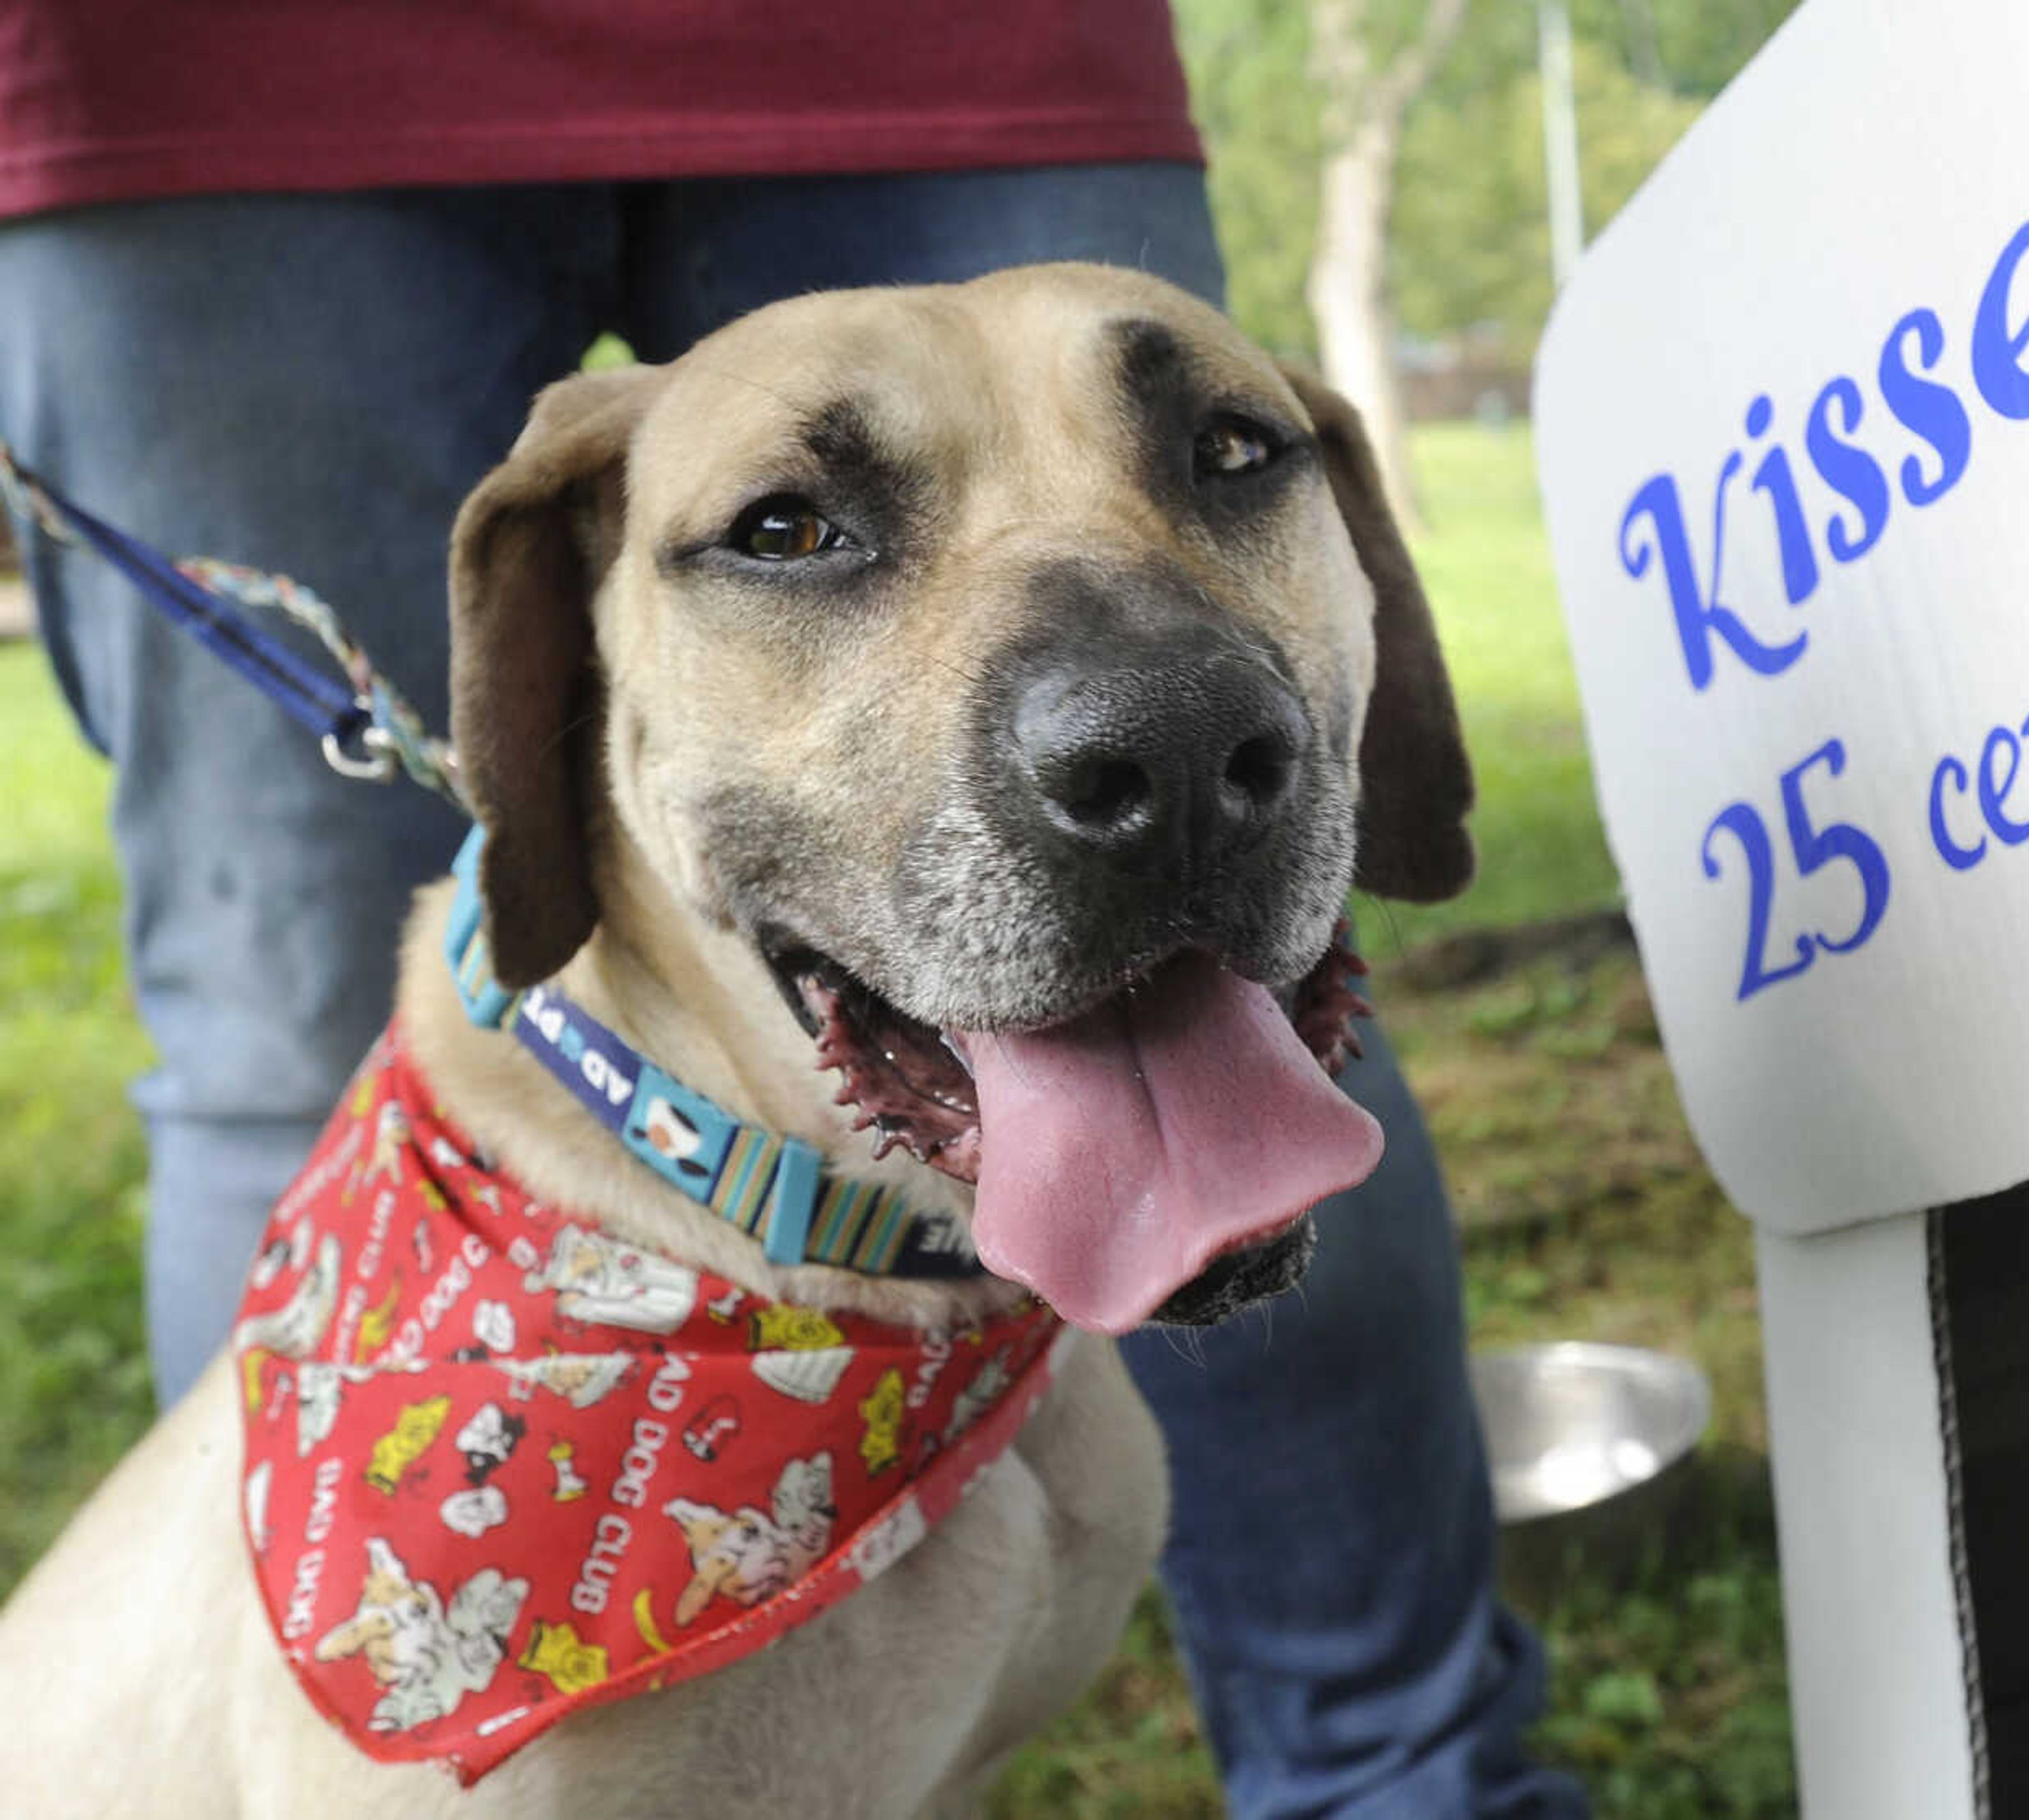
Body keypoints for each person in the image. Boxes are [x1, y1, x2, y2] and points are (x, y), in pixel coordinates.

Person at [0, 6, 1584, 1813]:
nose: (1153, 707)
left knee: (1285, 1047)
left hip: (944, 45)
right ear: (566, 665)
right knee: (274, 1033)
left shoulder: (1078, 1464)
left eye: (1225, 460)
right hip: (224, 77)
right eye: (787, 533)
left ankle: (1411, 1781)